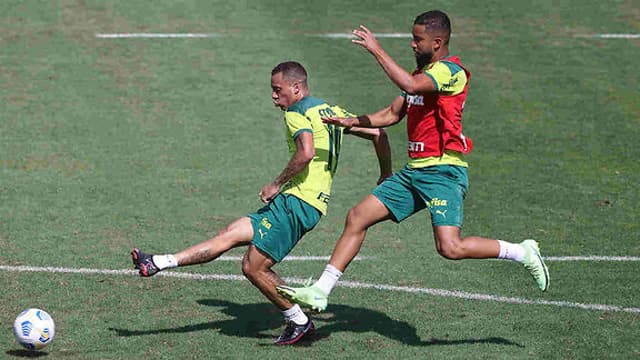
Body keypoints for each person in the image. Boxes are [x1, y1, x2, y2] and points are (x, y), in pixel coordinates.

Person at [277, 10, 549, 313]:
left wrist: (376, 49)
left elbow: (410, 86)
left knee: (450, 248)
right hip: (415, 172)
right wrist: (351, 121)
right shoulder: (421, 75)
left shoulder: (450, 72)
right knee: (358, 216)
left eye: (417, 40)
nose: (412, 45)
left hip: (444, 171)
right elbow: (392, 114)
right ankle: (321, 290)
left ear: (437, 42)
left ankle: (521, 252)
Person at [130, 61, 392, 345]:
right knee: (230, 234)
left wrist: (276, 184)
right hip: (301, 202)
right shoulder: (330, 111)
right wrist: (385, 173)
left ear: (296, 88)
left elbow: (306, 152)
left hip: (297, 202)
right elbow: (379, 133)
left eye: (277, 90)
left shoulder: (296, 112)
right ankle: (157, 262)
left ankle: (299, 322)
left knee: (253, 267)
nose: (274, 96)